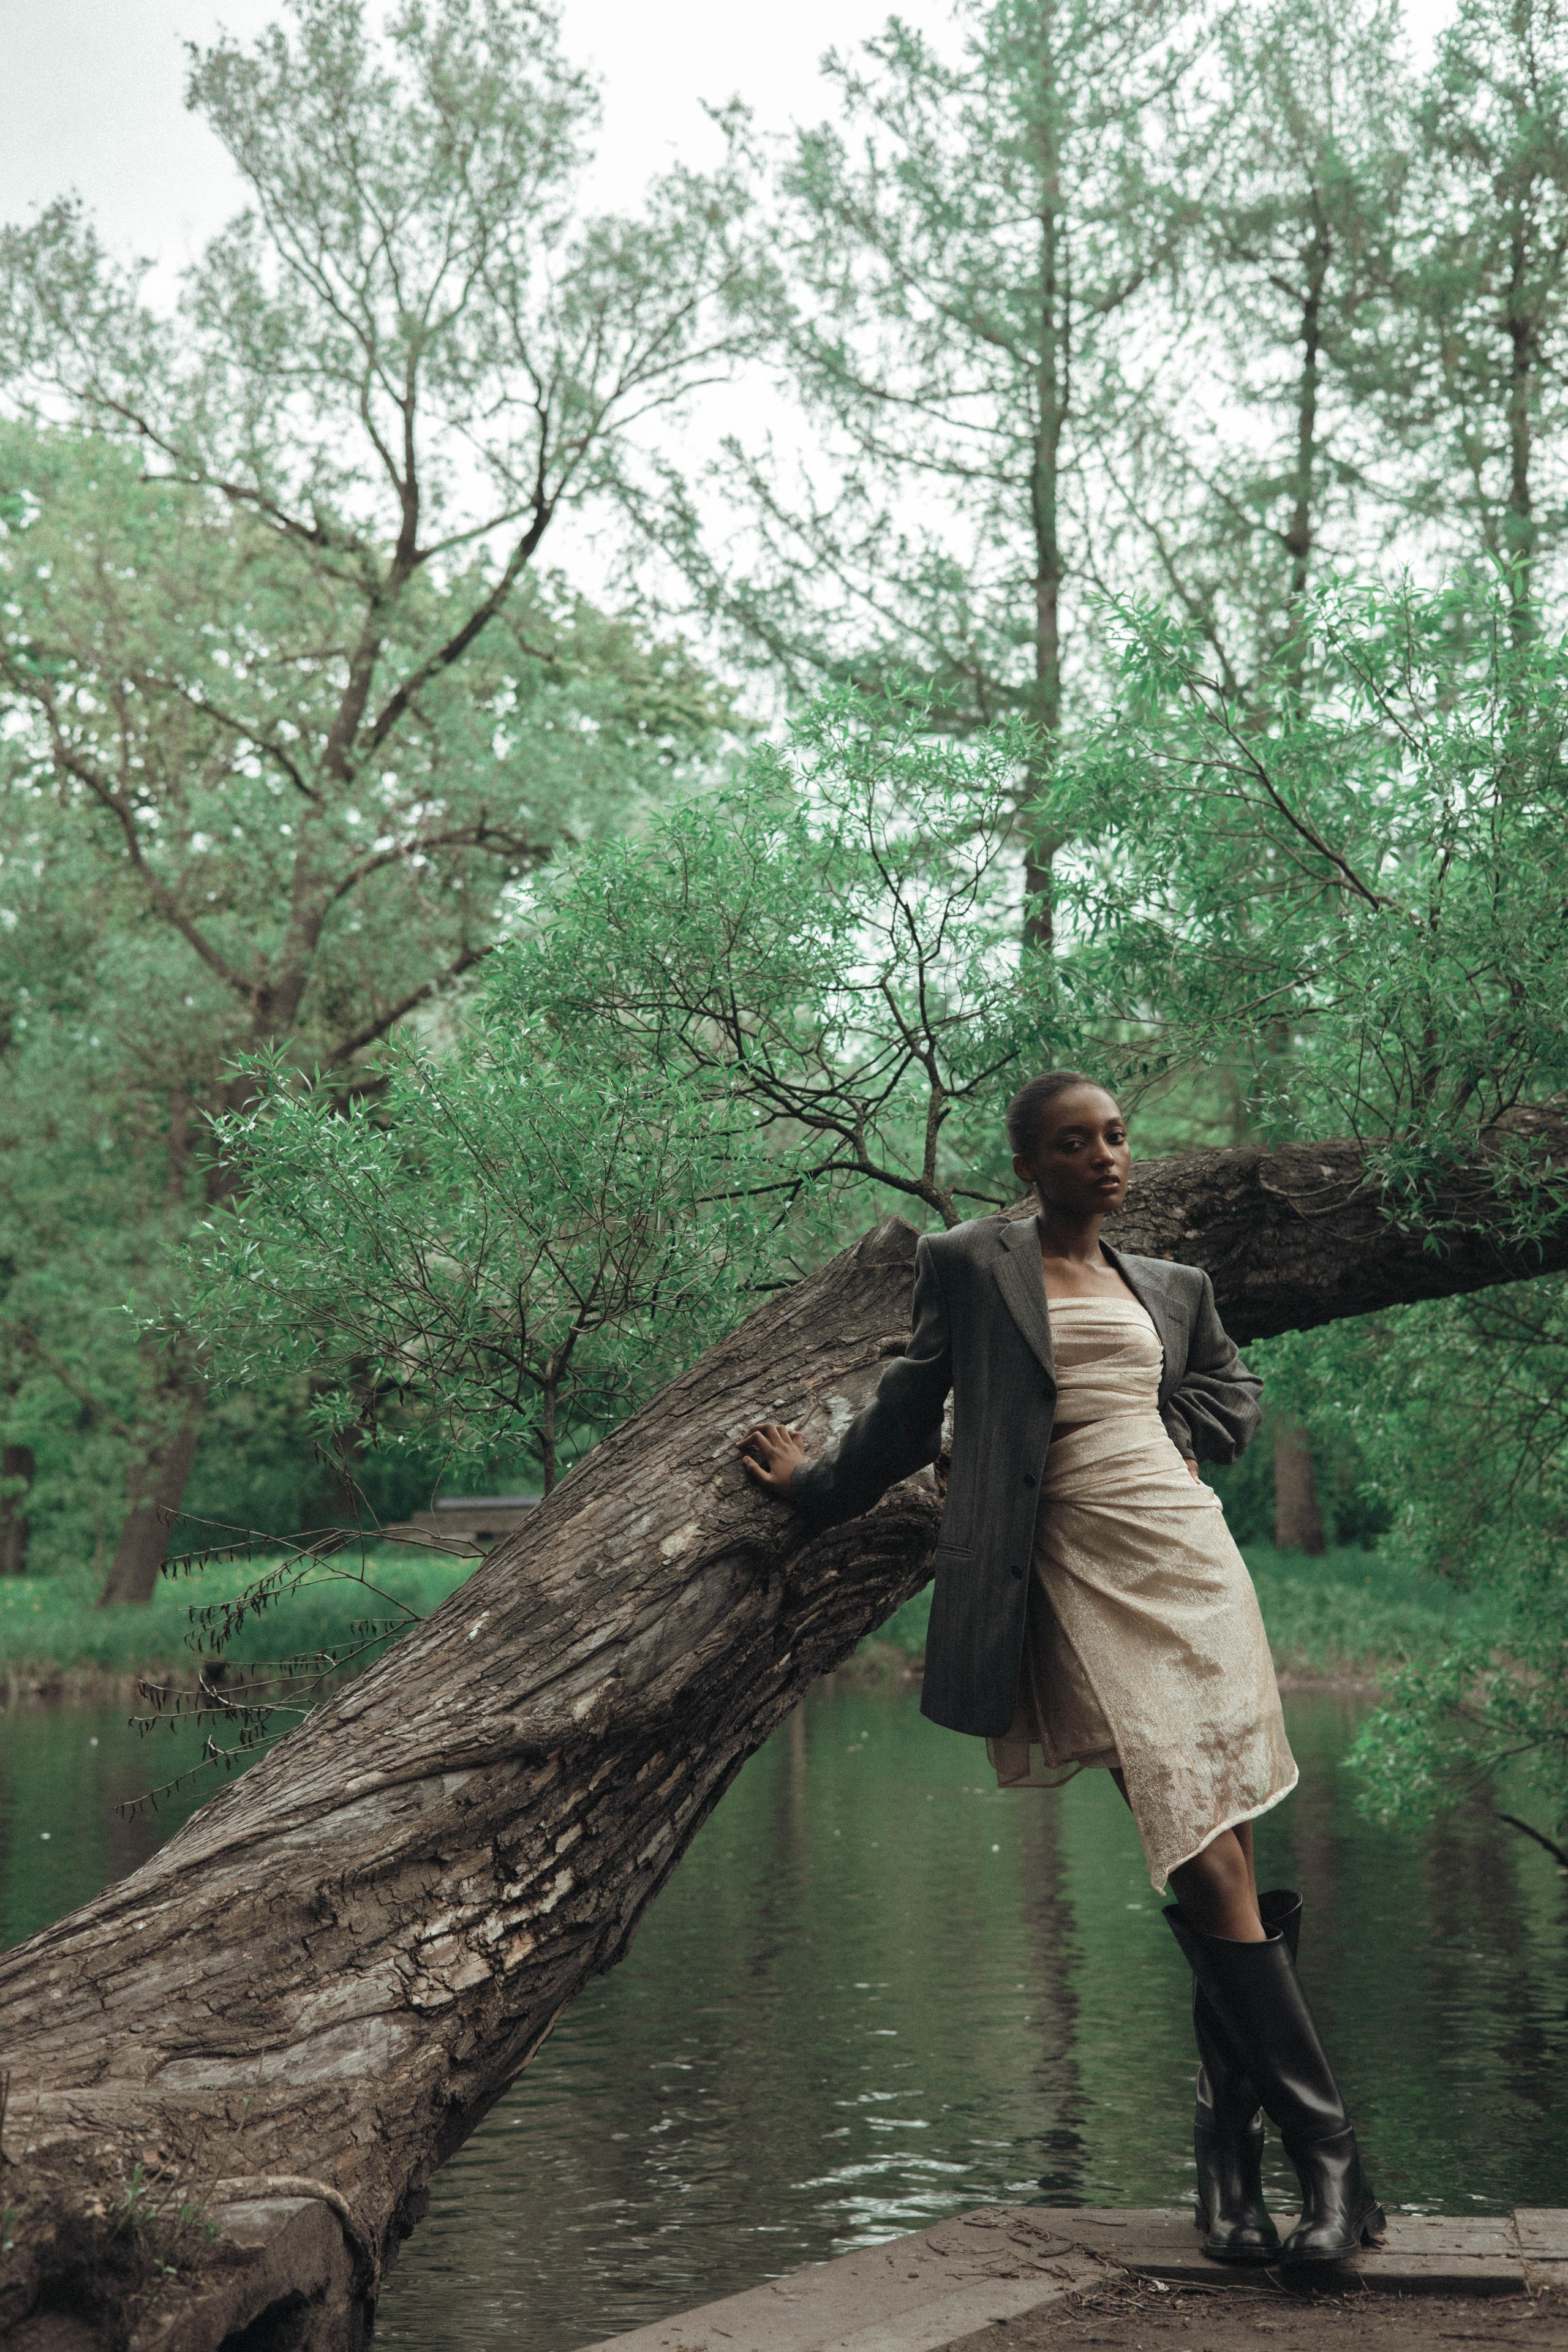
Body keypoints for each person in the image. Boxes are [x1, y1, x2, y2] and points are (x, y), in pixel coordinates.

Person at [737, 1071, 1383, 2271]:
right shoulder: (970, 1266)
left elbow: (1228, 1392)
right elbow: (904, 1405)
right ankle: (1329, 2156)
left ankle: (1228, 2164)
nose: (1104, 1158)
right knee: (1190, 1837)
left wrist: (1185, 1440)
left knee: (1223, 1847)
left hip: (1187, 1561)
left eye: (1116, 1138)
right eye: (1073, 1144)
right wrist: (820, 1487)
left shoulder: (1171, 1288)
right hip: (1074, 1566)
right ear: (1026, 1167)